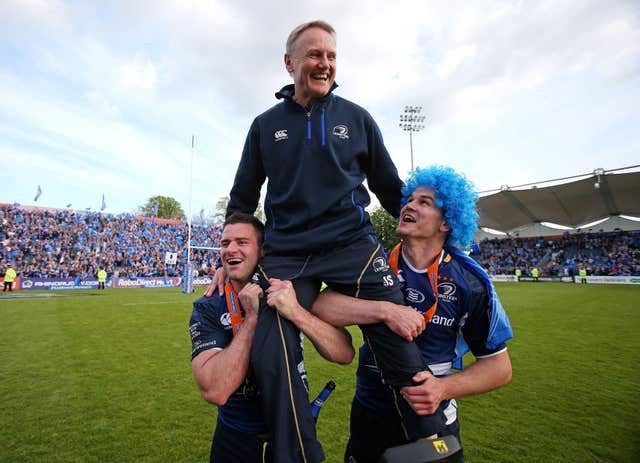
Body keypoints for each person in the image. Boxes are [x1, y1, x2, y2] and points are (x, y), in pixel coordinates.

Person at [206, 19, 449, 454]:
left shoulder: (357, 118)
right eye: (315, 55)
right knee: (272, 348)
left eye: (331, 56)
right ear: (289, 63)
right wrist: (229, 258)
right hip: (287, 253)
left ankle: (430, 442)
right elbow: (243, 197)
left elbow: (390, 189)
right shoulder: (265, 126)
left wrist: (439, 244)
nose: (325, 64)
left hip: (352, 248)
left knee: (399, 342)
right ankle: (298, 453)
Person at [313, 165, 513, 463]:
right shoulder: (373, 265)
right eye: (410, 200)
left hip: (432, 421)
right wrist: (384, 310)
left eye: (424, 202)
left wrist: (443, 387)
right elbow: (321, 305)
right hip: (369, 415)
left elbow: (499, 368)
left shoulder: (470, 283)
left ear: (446, 223)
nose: (409, 205)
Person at [191, 212, 354, 463]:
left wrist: (297, 313)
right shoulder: (208, 306)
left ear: (263, 250)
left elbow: (344, 353)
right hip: (235, 438)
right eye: (225, 243)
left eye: (242, 242)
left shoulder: (286, 290)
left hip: (293, 431)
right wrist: (252, 320)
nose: (230, 249)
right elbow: (215, 390)